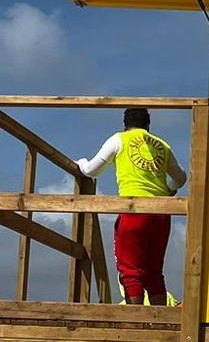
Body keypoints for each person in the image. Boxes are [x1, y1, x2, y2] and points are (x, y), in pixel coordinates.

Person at [75, 107, 188, 305]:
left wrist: (82, 163)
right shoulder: (163, 145)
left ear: (125, 124)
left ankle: (135, 322)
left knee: (130, 271)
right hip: (162, 213)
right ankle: (159, 321)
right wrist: (168, 189)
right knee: (154, 272)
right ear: (148, 125)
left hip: (134, 210)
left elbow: (92, 170)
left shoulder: (119, 139)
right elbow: (181, 178)